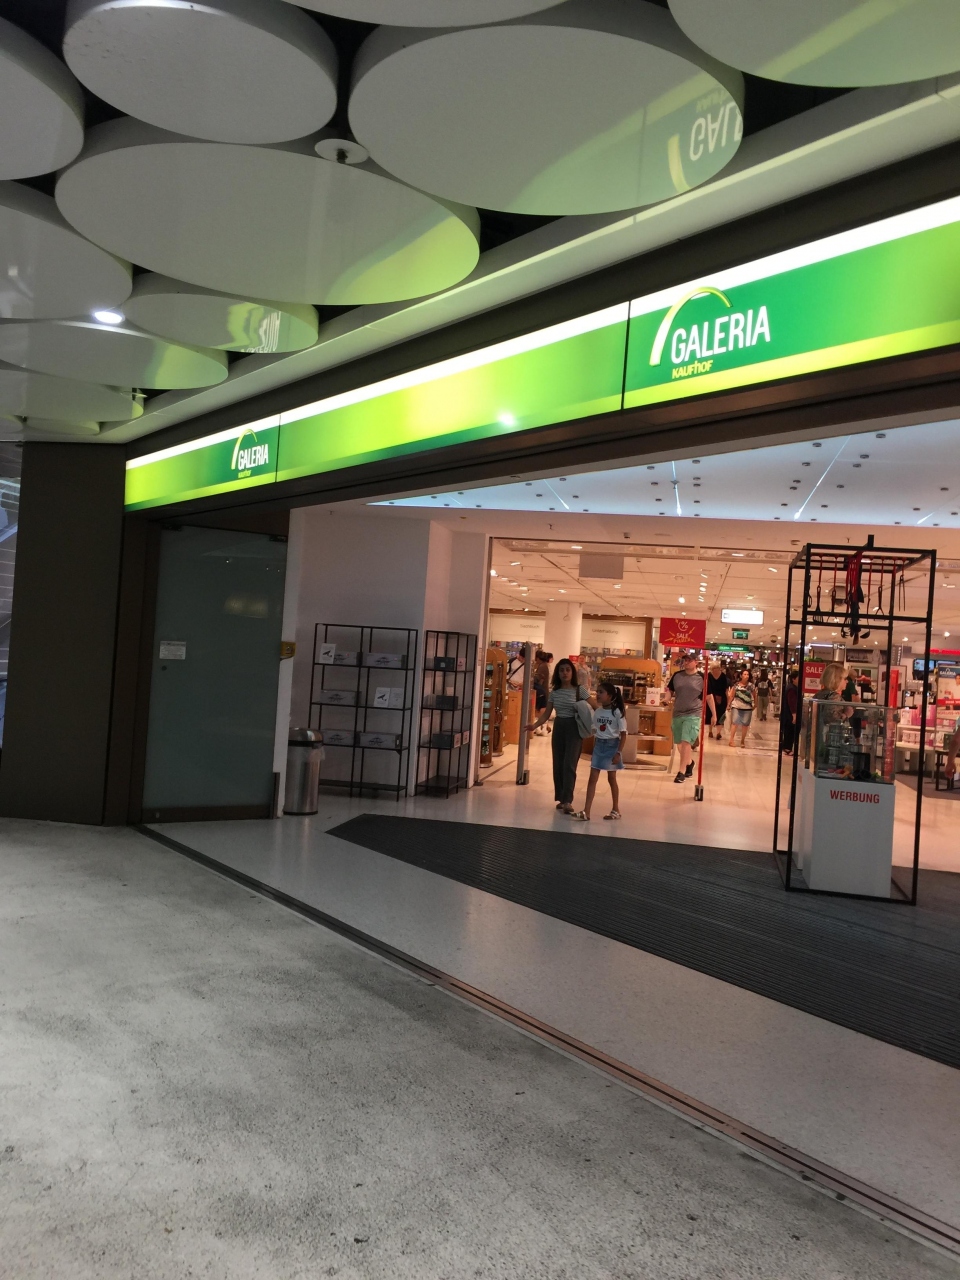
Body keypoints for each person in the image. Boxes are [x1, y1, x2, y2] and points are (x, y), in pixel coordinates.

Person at [525, 658, 589, 813]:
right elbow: (546, 714)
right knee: (558, 764)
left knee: (569, 764)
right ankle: (561, 798)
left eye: (567, 670)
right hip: (559, 727)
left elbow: (594, 705)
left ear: (572, 672)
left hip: (574, 728)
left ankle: (568, 800)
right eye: (561, 670)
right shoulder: (555, 692)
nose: (565, 673)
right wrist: (534, 725)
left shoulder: (579, 690)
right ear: (557, 673)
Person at [572, 681, 627, 821]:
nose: (597, 694)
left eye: (601, 692)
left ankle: (616, 809)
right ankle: (586, 811)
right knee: (592, 778)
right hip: (599, 746)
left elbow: (623, 734)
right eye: (597, 692)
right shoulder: (598, 711)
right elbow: (595, 730)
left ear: (610, 696)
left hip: (612, 746)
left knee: (611, 778)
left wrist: (618, 752)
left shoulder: (617, 712)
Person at [665, 652, 703, 784]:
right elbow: (670, 690)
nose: (686, 662)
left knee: (686, 742)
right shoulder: (677, 675)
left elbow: (708, 696)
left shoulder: (701, 677)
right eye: (685, 660)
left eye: (689, 660)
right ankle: (689, 763)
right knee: (680, 745)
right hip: (678, 713)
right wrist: (666, 699)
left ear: (696, 662)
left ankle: (681, 772)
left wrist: (714, 715)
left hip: (693, 713)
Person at [728, 669, 756, 747]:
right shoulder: (736, 685)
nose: (746, 676)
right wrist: (728, 704)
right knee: (734, 722)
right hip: (736, 706)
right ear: (741, 676)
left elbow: (754, 695)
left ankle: (742, 740)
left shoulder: (751, 686)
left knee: (745, 724)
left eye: (747, 674)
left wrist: (755, 704)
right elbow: (732, 695)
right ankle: (731, 740)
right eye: (744, 674)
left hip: (747, 707)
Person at [706, 663, 728, 738]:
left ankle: (714, 732)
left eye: (716, 668)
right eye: (714, 668)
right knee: (715, 714)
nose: (715, 670)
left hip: (716, 698)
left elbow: (726, 689)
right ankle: (714, 732)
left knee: (716, 715)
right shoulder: (710, 675)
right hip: (715, 698)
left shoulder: (721, 676)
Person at [780, 669, 799, 755]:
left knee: (790, 731)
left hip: (788, 715)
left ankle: (787, 747)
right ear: (793, 679)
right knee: (790, 731)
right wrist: (794, 715)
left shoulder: (792, 687)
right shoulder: (791, 689)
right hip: (789, 715)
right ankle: (787, 748)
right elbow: (792, 702)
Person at [533, 650, 552, 735]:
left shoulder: (542, 666)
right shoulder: (544, 665)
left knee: (539, 711)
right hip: (543, 691)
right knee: (541, 710)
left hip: (541, 692)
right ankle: (543, 728)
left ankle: (542, 728)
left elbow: (537, 679)